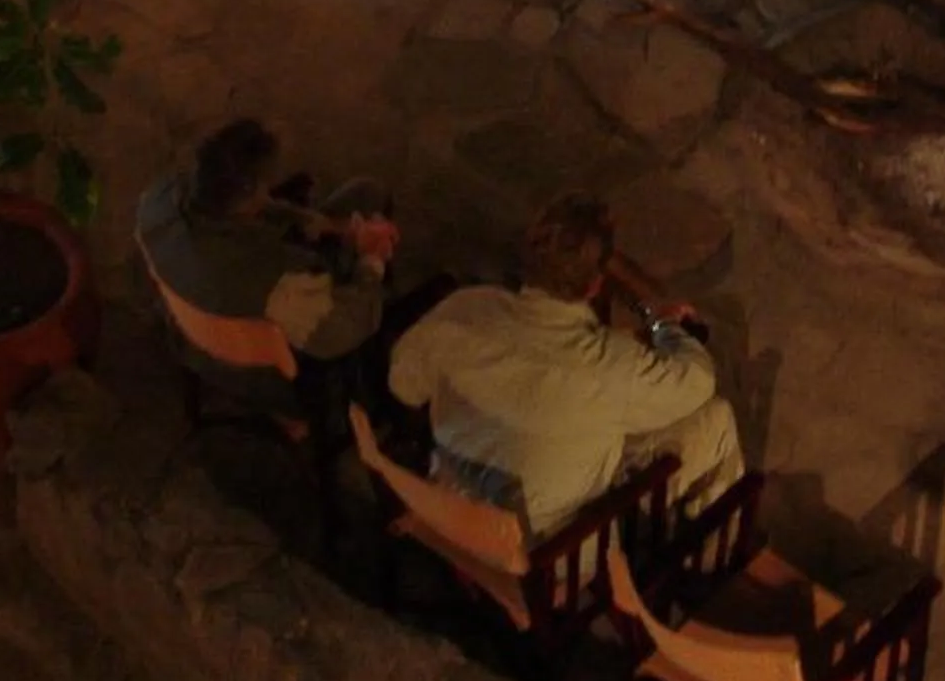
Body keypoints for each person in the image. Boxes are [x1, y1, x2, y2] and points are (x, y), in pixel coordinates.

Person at [388, 192, 745, 538]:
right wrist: (664, 325)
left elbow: (402, 385)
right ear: (594, 287)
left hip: (452, 508)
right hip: (543, 552)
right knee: (717, 419)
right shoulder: (611, 368)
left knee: (584, 423)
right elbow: (698, 380)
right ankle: (708, 556)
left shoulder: (464, 309)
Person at [135, 117, 399, 415]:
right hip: (261, 373)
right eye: (263, 185)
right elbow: (337, 333)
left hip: (188, 330)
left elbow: (245, 209)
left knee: (361, 194)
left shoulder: (157, 201)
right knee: (368, 195)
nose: (268, 190)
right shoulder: (275, 280)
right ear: (249, 192)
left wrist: (313, 221)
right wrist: (371, 260)